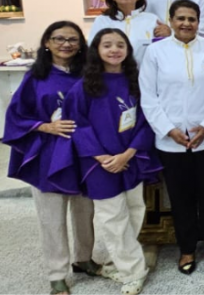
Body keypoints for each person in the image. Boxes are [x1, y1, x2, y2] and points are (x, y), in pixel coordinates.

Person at [2, 21, 102, 295]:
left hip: (82, 152)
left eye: (72, 39)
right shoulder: (36, 77)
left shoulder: (88, 74)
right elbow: (15, 115)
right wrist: (44, 126)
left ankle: (84, 258)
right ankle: (57, 274)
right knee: (52, 216)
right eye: (59, 39)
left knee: (85, 211)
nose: (66, 44)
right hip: (49, 153)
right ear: (47, 42)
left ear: (81, 45)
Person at [67, 28, 161, 295]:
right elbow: (77, 125)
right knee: (112, 216)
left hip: (130, 157)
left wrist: (128, 154)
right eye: (107, 45)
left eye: (120, 45)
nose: (114, 50)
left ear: (128, 50)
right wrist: (103, 157)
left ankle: (117, 261)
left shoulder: (135, 82)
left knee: (134, 209)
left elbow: (145, 121)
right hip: (100, 164)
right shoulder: (83, 87)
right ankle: (133, 272)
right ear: (96, 50)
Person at [139, 0, 204, 275]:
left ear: (199, 22)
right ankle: (187, 248)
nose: (186, 23)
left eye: (192, 19)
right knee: (180, 199)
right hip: (171, 141)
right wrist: (169, 130)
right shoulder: (156, 52)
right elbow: (148, 97)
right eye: (181, 18)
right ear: (171, 20)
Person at [88, 0, 159, 62]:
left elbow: (160, 49)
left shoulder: (151, 19)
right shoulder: (102, 20)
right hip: (112, 69)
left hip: (144, 69)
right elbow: (92, 49)